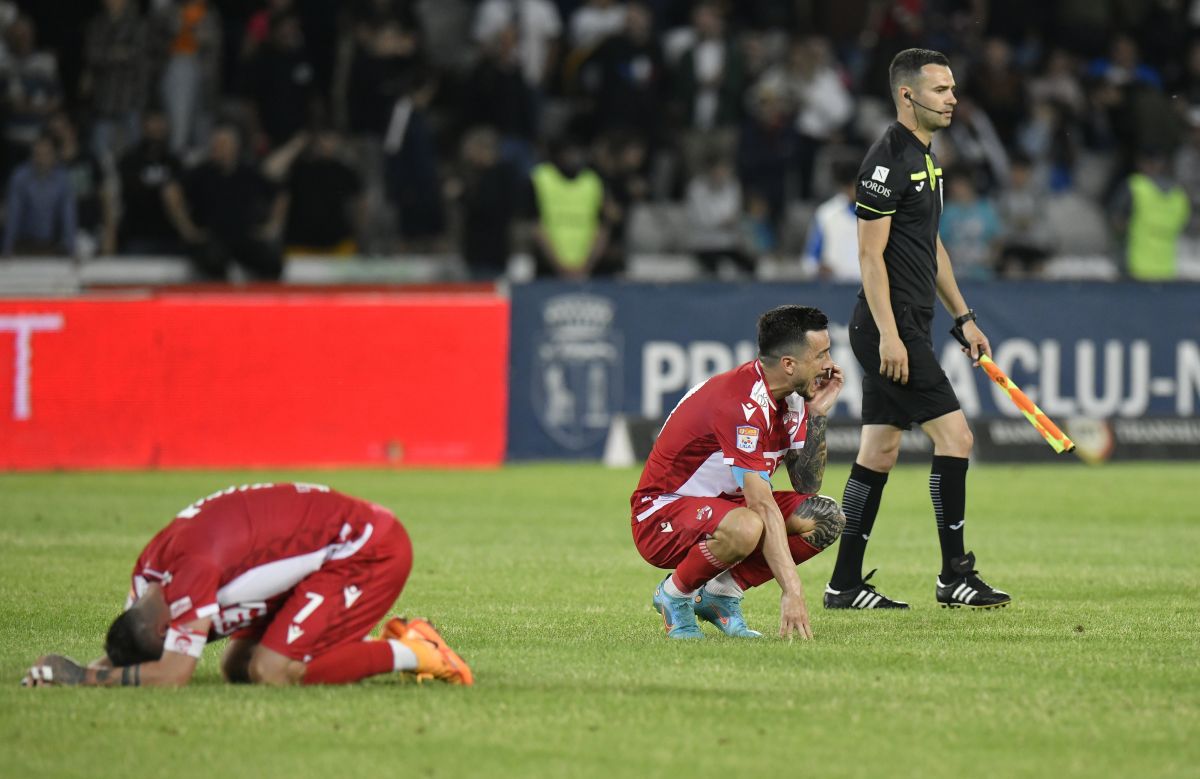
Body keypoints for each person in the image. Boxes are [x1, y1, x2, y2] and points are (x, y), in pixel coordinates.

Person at [824, 48, 1012, 611]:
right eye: (940, 90)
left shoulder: (928, 159)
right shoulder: (885, 161)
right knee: (957, 438)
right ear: (907, 96)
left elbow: (930, 247)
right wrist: (889, 335)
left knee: (878, 452)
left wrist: (964, 318)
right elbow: (870, 257)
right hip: (889, 327)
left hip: (907, 325)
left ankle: (844, 584)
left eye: (952, 88)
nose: (952, 98)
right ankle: (955, 574)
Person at [22, 482, 472, 688]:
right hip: (316, 550)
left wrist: (83, 678)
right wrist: (72, 671)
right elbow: (136, 651)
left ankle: (418, 652)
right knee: (236, 669)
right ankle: (379, 643)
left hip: (366, 548)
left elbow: (173, 674)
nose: (183, 641)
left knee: (271, 671)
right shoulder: (146, 582)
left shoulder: (189, 574)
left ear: (166, 630)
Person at [630, 305, 846, 640]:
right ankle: (674, 594)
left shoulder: (793, 397)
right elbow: (760, 505)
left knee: (826, 517)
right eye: (821, 355)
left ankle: (720, 595)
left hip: (728, 507)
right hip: (660, 514)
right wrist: (792, 589)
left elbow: (806, 484)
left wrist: (817, 413)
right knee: (749, 524)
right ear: (789, 365)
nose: (829, 365)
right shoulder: (741, 404)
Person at [2, 132, 75, 256]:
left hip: (52, 246)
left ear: (54, 156)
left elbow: (68, 216)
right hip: (24, 244)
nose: (41, 159)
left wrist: (72, 249)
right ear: (32, 155)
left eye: (46, 154)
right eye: (37, 154)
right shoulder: (20, 177)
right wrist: (6, 248)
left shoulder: (63, 179)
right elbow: (14, 215)